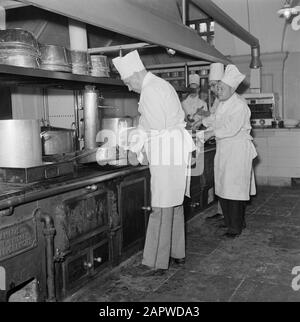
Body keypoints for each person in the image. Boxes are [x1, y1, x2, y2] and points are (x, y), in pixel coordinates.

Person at [112, 50, 195, 273]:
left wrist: (138, 152)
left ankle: (154, 263)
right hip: (175, 150)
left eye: (128, 82)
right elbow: (147, 125)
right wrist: (134, 144)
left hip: (166, 151)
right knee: (175, 203)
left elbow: (153, 130)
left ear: (137, 74)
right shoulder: (159, 85)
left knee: (160, 207)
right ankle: (177, 253)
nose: (129, 88)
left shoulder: (150, 90)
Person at [203, 64, 257, 238]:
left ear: (232, 88)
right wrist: (203, 125)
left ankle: (235, 227)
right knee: (224, 188)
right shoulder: (224, 103)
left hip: (237, 150)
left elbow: (231, 128)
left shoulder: (239, 105)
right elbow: (216, 119)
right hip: (226, 149)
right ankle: (231, 222)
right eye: (217, 88)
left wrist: (210, 133)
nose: (217, 91)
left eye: (221, 88)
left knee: (234, 189)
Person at [203, 62, 225, 222]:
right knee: (221, 179)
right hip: (222, 145)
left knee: (229, 183)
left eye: (212, 85)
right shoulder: (219, 100)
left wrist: (209, 132)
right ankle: (221, 211)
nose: (211, 89)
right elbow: (213, 118)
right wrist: (200, 123)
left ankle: (230, 218)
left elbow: (224, 124)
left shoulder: (229, 100)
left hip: (230, 146)